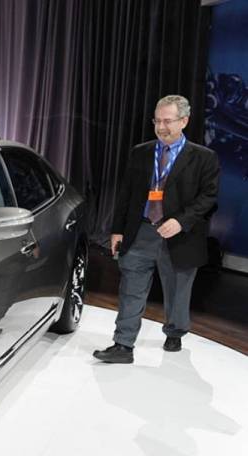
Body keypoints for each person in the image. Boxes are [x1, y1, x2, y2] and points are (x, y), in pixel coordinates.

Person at [94, 95, 220, 364]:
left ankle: (174, 331)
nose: (161, 127)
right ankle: (123, 345)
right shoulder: (141, 152)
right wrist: (117, 229)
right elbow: (126, 193)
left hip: (179, 235)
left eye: (168, 121)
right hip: (141, 231)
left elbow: (208, 198)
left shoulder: (203, 158)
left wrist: (181, 221)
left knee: (176, 290)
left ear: (184, 121)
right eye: (157, 121)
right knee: (131, 288)